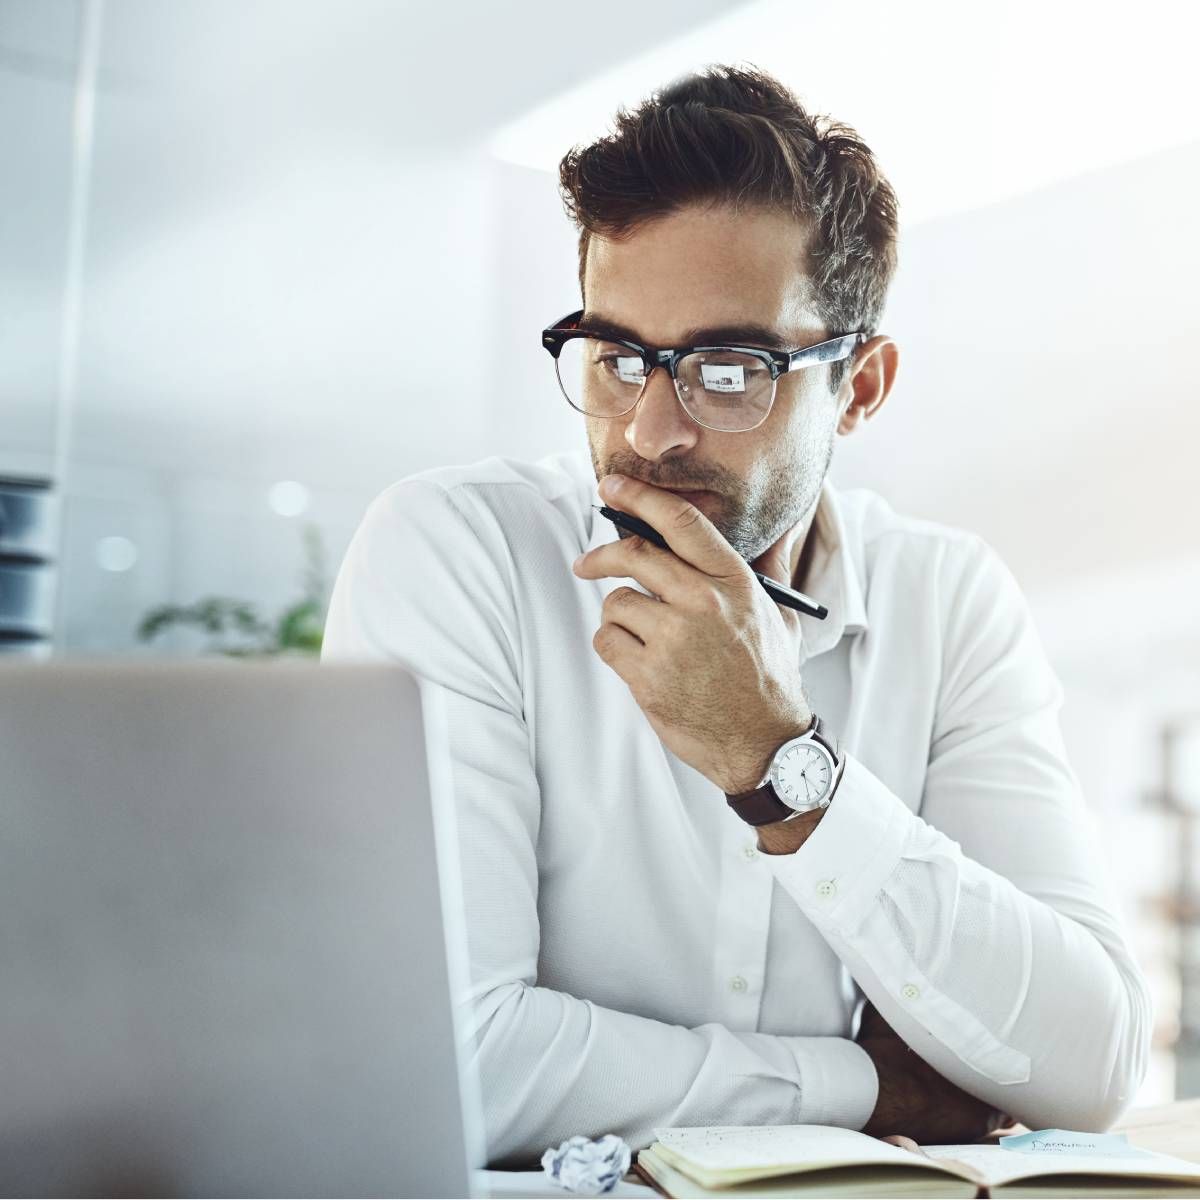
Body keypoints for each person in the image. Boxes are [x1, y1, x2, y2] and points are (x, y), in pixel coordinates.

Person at [320, 64, 1151, 1168]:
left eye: (727, 369)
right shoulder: (458, 555)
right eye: (617, 358)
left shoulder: (948, 600)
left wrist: (781, 765)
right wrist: (859, 1084)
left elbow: (1090, 1059)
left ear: (859, 386)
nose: (653, 430)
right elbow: (436, 1061)